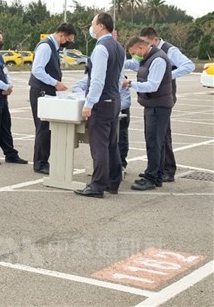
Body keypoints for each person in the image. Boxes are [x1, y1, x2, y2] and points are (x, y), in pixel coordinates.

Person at [133, 27, 194, 184]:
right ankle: (157, 169)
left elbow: (189, 65)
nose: (144, 46)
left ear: (154, 39)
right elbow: (136, 64)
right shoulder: (149, 54)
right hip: (155, 96)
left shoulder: (169, 51)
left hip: (163, 95)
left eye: (145, 43)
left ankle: (167, 169)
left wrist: (165, 75)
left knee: (162, 135)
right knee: (159, 134)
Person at [75, 13, 126, 198]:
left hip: (102, 102)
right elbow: (121, 77)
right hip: (114, 100)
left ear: (101, 26)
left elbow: (97, 80)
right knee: (111, 144)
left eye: (93, 24)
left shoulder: (101, 48)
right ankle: (113, 182)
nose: (92, 28)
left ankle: (97, 186)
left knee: (99, 146)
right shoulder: (119, 47)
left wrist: (89, 103)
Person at [122, 36, 174, 191]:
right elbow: (133, 64)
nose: (134, 56)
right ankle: (156, 174)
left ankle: (151, 178)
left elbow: (152, 85)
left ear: (141, 48)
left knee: (154, 142)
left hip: (158, 106)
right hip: (153, 104)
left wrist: (130, 84)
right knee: (157, 141)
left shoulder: (158, 60)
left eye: (133, 53)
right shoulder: (148, 58)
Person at [28, 23, 77, 174]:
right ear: (62, 35)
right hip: (41, 91)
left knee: (47, 129)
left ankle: (45, 160)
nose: (68, 42)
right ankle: (40, 163)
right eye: (69, 39)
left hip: (47, 91)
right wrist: (55, 83)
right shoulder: (46, 46)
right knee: (43, 128)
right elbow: (37, 70)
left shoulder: (53, 47)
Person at [0, 29, 28, 165]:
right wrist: (4, 87)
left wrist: (9, 85)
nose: (1, 42)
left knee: (5, 125)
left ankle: (10, 153)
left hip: (2, 96)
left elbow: (5, 72)